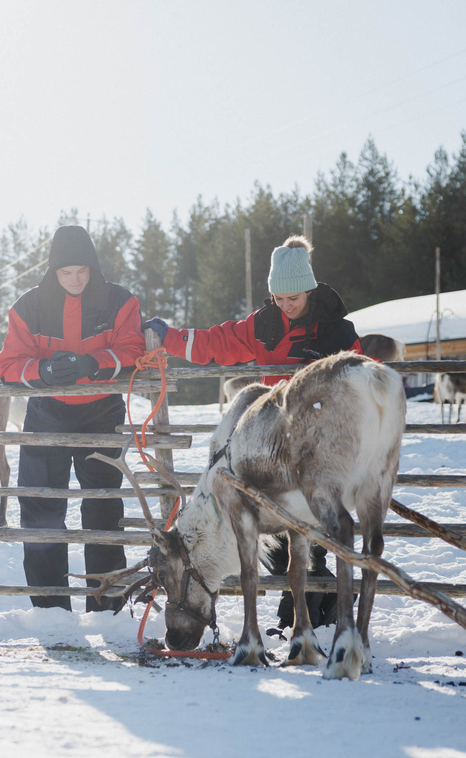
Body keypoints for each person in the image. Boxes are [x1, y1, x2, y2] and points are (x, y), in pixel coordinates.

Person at [144, 234, 363, 632]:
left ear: (309, 288)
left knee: (312, 524)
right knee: (274, 525)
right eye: (278, 297)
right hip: (271, 439)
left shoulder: (337, 330)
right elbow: (217, 343)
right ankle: (308, 601)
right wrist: (170, 336)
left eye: (293, 297)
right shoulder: (264, 324)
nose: (286, 304)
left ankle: (315, 601)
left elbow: (361, 379)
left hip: (321, 440)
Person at [0, 225, 145, 611]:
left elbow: (132, 347)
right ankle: (50, 608)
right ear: (53, 271)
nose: (75, 280)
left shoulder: (120, 301)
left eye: (82, 271)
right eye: (66, 273)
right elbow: (7, 363)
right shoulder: (28, 306)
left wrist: (95, 362)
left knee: (103, 506)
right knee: (42, 506)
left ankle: (106, 603)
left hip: (102, 412)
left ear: (93, 267)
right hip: (47, 414)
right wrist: (41, 371)